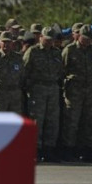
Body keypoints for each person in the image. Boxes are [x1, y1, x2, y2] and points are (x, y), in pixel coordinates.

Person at [23, 26, 64, 162]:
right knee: (37, 120)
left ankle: (49, 149)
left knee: (52, 120)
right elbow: (24, 71)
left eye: (51, 40)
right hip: (37, 89)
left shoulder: (56, 53)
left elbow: (60, 71)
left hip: (52, 88)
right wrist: (29, 88)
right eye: (46, 39)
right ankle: (36, 149)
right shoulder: (33, 51)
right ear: (40, 37)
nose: (49, 42)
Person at [60, 26, 92, 162]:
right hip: (74, 91)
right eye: (85, 38)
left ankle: (87, 150)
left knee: (89, 121)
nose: (87, 41)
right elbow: (61, 70)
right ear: (79, 36)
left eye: (89, 39)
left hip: (90, 91)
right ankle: (68, 149)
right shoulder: (70, 50)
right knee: (72, 122)